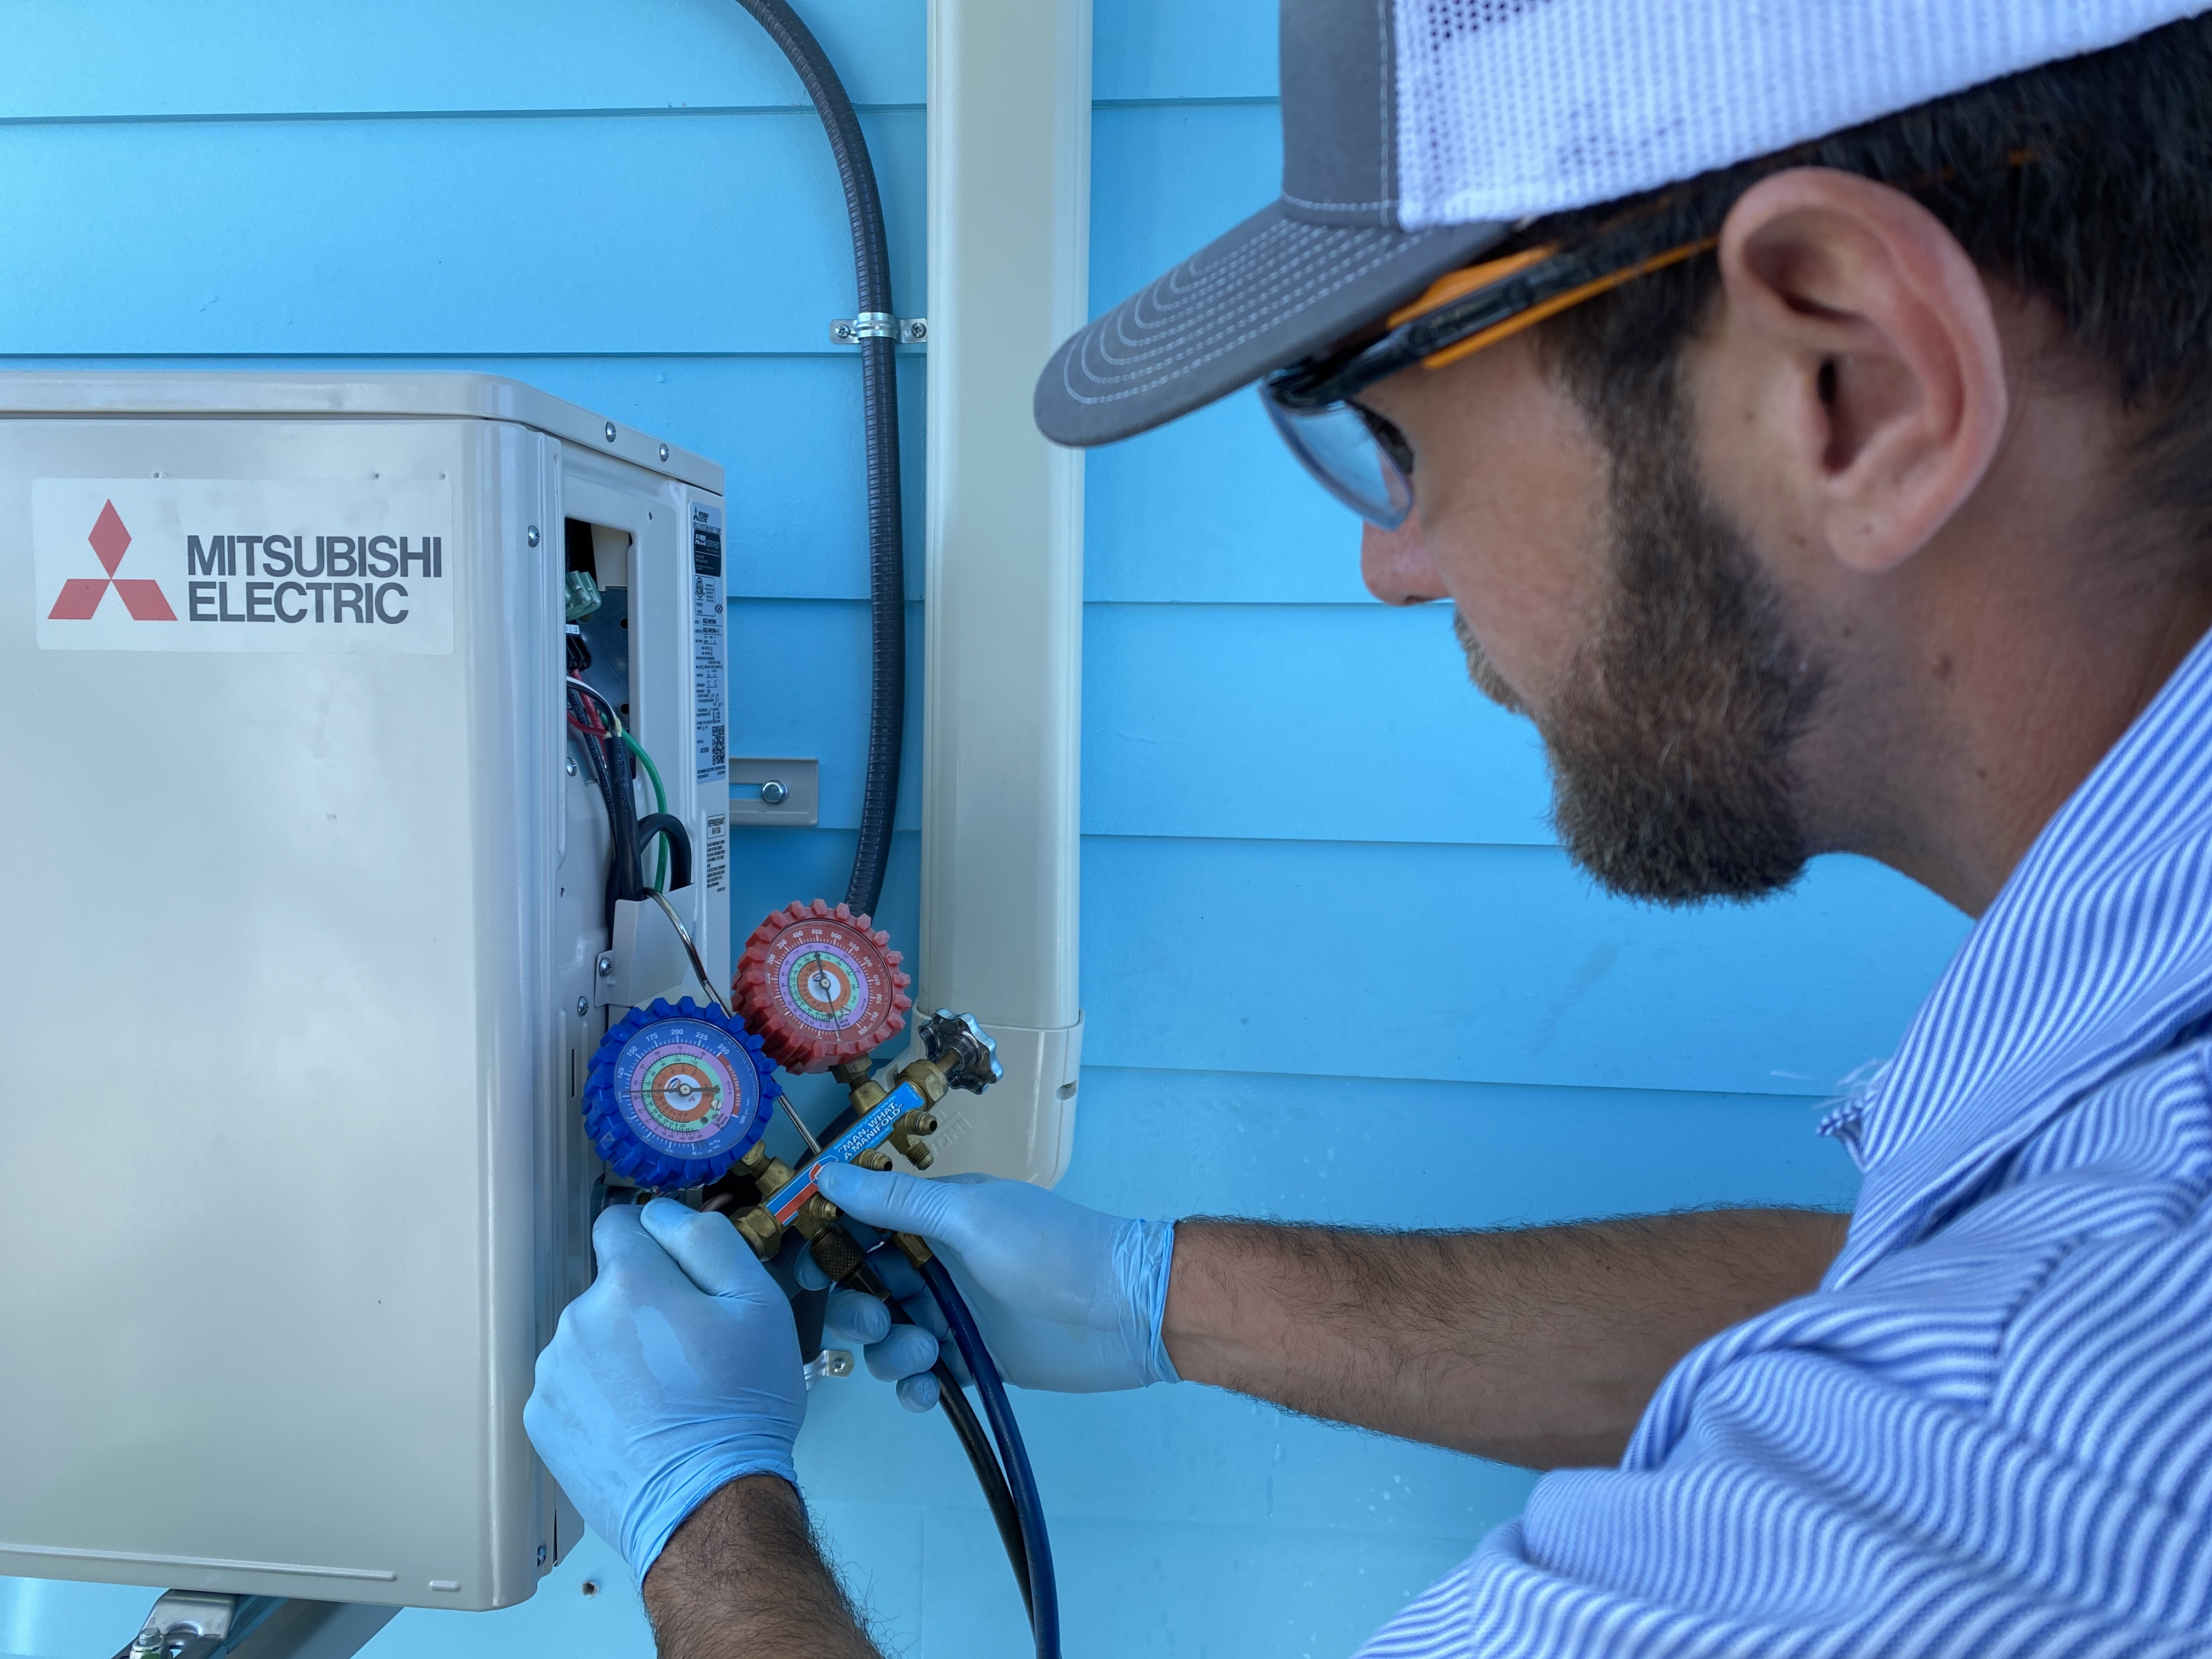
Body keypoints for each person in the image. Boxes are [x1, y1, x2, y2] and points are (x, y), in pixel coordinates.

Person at [524, 2, 2212, 1653]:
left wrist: (704, 1522)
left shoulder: (2027, 1459)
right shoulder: (2107, 1160)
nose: (1392, 563)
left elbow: (1967, 1360)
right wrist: (1157, 1288)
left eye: (1392, 438)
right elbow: (1872, 1314)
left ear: (1852, 376)